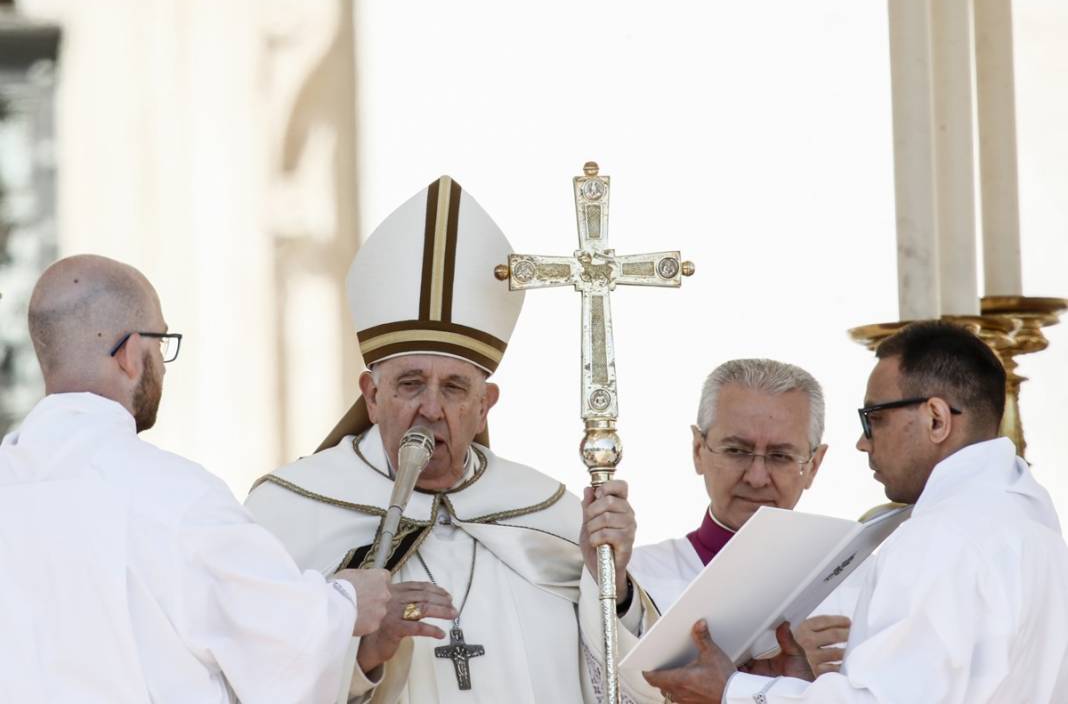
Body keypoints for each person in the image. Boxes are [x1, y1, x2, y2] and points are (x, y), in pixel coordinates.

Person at [246, 176, 664, 703]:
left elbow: (639, 687)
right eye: (410, 384)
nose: (430, 408)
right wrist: (363, 654)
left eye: (454, 388)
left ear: (485, 404)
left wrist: (611, 583)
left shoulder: (549, 513)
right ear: (371, 396)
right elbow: (249, 673)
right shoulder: (286, 513)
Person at [0, 255, 391, 704]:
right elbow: (283, 648)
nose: (164, 366)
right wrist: (348, 603)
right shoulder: (175, 496)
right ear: (129, 354)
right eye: (161, 342)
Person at [644, 320, 1068, 703]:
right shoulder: (1031, 523)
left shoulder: (938, 537)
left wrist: (733, 689)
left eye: (873, 419)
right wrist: (803, 683)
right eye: (737, 450)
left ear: (936, 419)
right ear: (698, 449)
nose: (863, 443)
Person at [628, 358, 856, 675]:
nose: (756, 477)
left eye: (780, 456)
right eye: (736, 451)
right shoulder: (633, 583)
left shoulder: (862, 582)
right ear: (698, 450)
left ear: (814, 466)